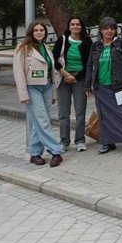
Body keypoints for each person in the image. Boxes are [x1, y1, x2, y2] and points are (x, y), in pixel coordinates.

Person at [13, 21, 63, 167]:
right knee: (42, 120)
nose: (39, 32)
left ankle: (35, 153)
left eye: (42, 30)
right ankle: (55, 151)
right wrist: (23, 94)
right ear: (31, 32)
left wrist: (53, 94)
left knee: (40, 120)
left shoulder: (46, 48)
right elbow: (18, 73)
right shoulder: (22, 49)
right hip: (32, 88)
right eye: (36, 30)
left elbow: (51, 73)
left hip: (46, 87)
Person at [85, 17, 122, 157]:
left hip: (118, 87)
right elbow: (90, 66)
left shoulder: (121, 44)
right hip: (101, 88)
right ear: (101, 30)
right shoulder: (95, 46)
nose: (109, 31)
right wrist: (87, 86)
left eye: (112, 28)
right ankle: (107, 142)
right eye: (106, 28)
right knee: (104, 116)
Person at [53, 16, 92, 152]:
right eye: (73, 24)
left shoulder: (87, 42)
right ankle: (64, 141)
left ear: (81, 27)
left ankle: (80, 140)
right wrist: (66, 74)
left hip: (79, 79)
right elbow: (55, 59)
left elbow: (89, 63)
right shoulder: (62, 40)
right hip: (64, 78)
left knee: (80, 112)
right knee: (63, 113)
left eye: (78, 24)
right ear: (69, 26)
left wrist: (75, 78)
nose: (75, 26)